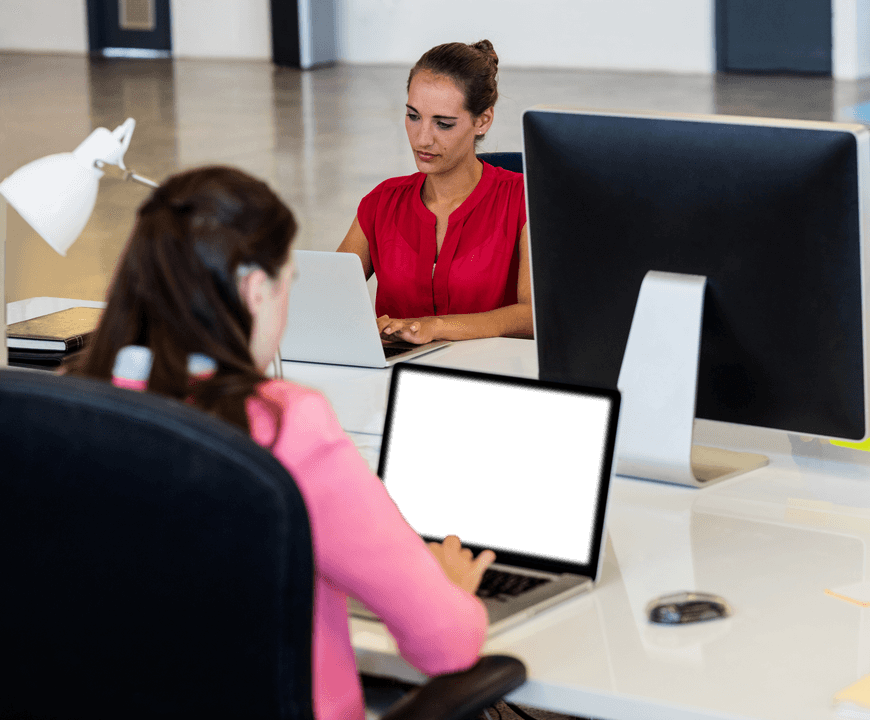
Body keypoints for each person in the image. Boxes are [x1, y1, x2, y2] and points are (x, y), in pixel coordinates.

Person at [69, 166, 496, 720]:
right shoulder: (283, 425)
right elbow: (445, 642)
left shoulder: (77, 404)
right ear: (254, 290)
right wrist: (449, 586)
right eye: (287, 282)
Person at [336, 40, 531, 344]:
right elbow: (327, 298)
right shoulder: (381, 202)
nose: (422, 138)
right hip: (395, 377)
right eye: (413, 116)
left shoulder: (523, 200)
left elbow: (532, 315)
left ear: (483, 121)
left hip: (490, 377)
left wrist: (435, 327)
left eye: (443, 124)